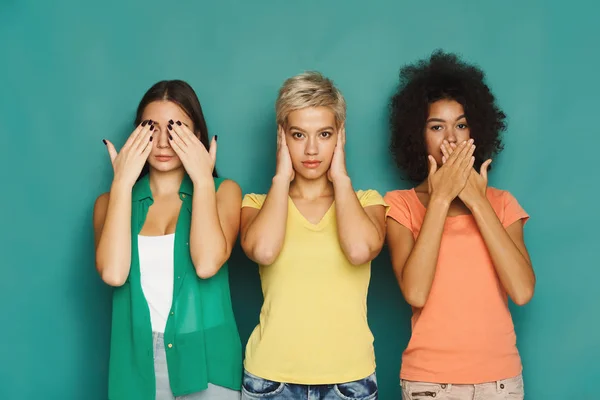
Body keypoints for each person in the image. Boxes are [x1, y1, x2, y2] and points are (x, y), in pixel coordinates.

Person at [384, 51, 535, 400]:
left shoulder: (501, 203)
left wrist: (477, 202)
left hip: (501, 383)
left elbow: (523, 291)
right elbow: (415, 293)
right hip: (429, 385)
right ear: (417, 136)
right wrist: (440, 199)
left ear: (476, 131)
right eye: (437, 127)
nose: (450, 138)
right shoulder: (399, 205)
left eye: (461, 125)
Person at [239, 71, 387, 400]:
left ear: (340, 136)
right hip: (269, 381)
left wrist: (341, 178)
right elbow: (262, 251)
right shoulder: (256, 205)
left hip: (349, 383)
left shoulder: (367, 202)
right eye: (297, 134)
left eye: (324, 134)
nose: (311, 149)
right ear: (282, 137)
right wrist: (280, 178)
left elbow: (359, 250)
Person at [93, 80, 243, 400]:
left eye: (176, 129)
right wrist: (122, 184)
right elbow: (114, 273)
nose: (162, 142)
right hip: (136, 366)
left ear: (197, 135)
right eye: (151, 128)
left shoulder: (223, 192)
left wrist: (203, 179)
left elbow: (206, 264)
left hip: (207, 360)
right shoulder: (110, 203)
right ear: (135, 135)